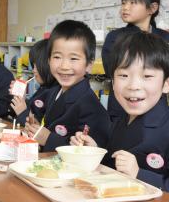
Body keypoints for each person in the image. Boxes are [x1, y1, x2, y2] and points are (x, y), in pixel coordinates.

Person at [71, 32, 169, 202]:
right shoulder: (121, 122)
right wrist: (95, 151)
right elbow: (117, 169)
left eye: (147, 76)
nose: (133, 86)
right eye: (123, 75)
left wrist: (140, 175)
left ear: (167, 83)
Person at [24, 20, 111, 152]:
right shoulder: (54, 92)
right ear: (49, 60)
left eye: (74, 59)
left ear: (89, 65)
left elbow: (89, 152)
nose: (64, 66)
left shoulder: (91, 108)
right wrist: (37, 128)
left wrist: (48, 138)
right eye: (57, 57)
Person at [10, 39, 55, 126]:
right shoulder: (44, 88)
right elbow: (31, 110)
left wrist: (22, 111)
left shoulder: (54, 92)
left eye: (36, 66)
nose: (34, 71)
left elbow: (39, 129)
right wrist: (19, 98)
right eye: (33, 66)